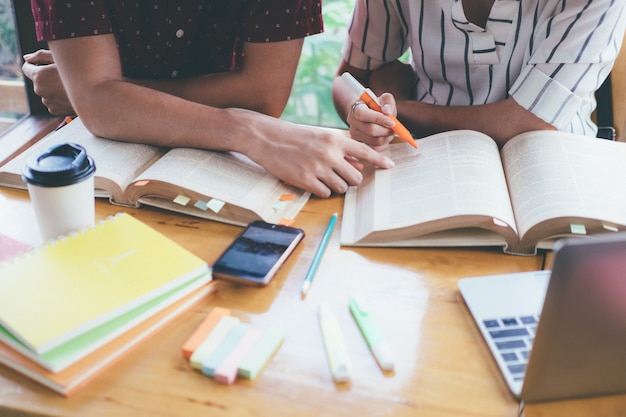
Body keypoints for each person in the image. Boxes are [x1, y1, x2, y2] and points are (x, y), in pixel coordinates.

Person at [23, 1, 394, 199]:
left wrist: (106, 93)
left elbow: (263, 97)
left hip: (216, 174)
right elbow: (99, 105)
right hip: (97, 172)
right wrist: (251, 131)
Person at [332, 0, 626, 149]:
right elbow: (351, 78)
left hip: (550, 165)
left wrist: (403, 110)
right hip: (423, 157)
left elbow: (526, 122)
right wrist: (358, 110)